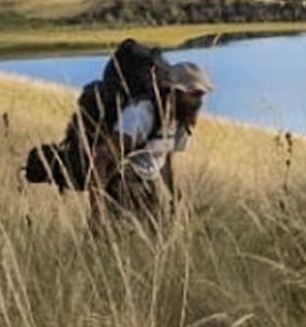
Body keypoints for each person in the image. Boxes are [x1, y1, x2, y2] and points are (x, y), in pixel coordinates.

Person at [91, 60, 214, 229]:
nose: (199, 101)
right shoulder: (142, 114)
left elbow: (166, 160)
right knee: (142, 230)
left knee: (159, 229)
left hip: (149, 180)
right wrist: (97, 212)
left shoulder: (180, 120)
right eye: (193, 94)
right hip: (122, 181)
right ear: (174, 91)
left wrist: (176, 198)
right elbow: (102, 157)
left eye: (201, 94)